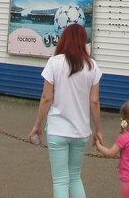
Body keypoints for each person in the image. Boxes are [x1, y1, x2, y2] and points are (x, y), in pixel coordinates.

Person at [28, 23, 103, 198]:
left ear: (64, 40)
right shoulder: (92, 66)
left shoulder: (54, 63)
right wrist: (98, 130)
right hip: (81, 131)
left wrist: (37, 125)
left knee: (60, 181)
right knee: (75, 177)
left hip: (58, 130)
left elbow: (46, 97)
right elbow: (94, 101)